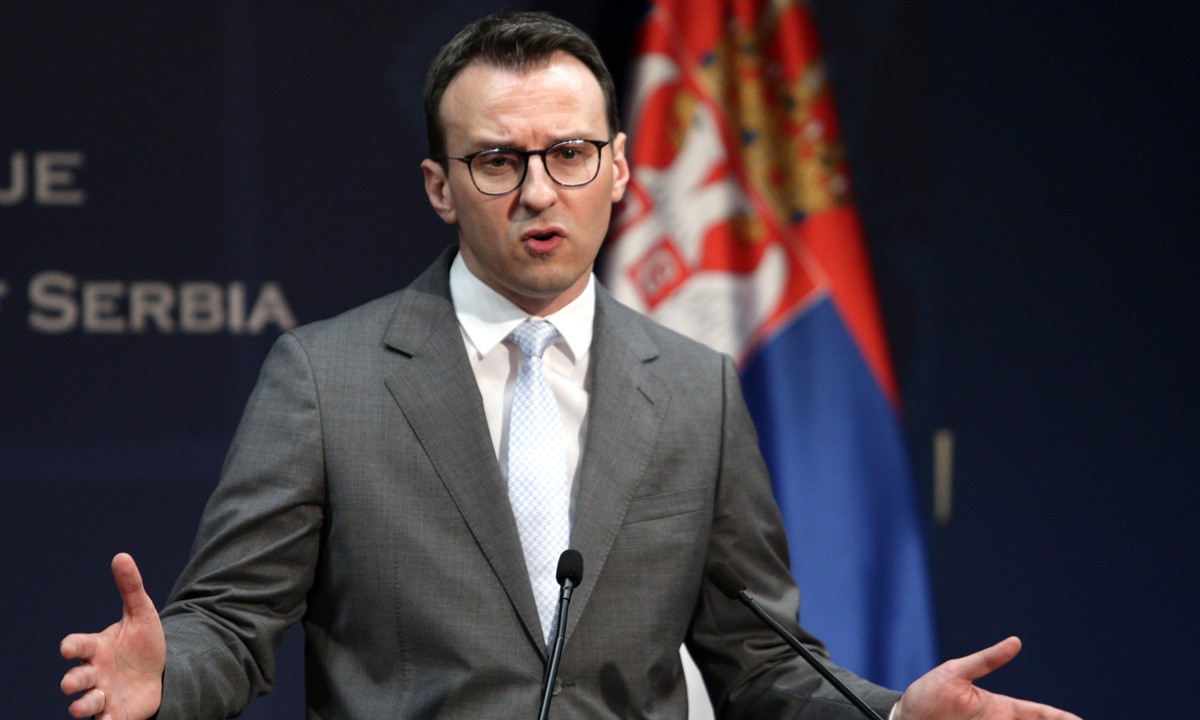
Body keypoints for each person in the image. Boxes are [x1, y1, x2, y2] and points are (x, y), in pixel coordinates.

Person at [59, 11, 1081, 720]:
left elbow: (761, 660)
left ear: (621, 166)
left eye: (570, 154)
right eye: (497, 161)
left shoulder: (696, 388)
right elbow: (232, 620)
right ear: (440, 186)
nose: (539, 192)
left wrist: (894, 714)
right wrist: (166, 679)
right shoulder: (327, 379)